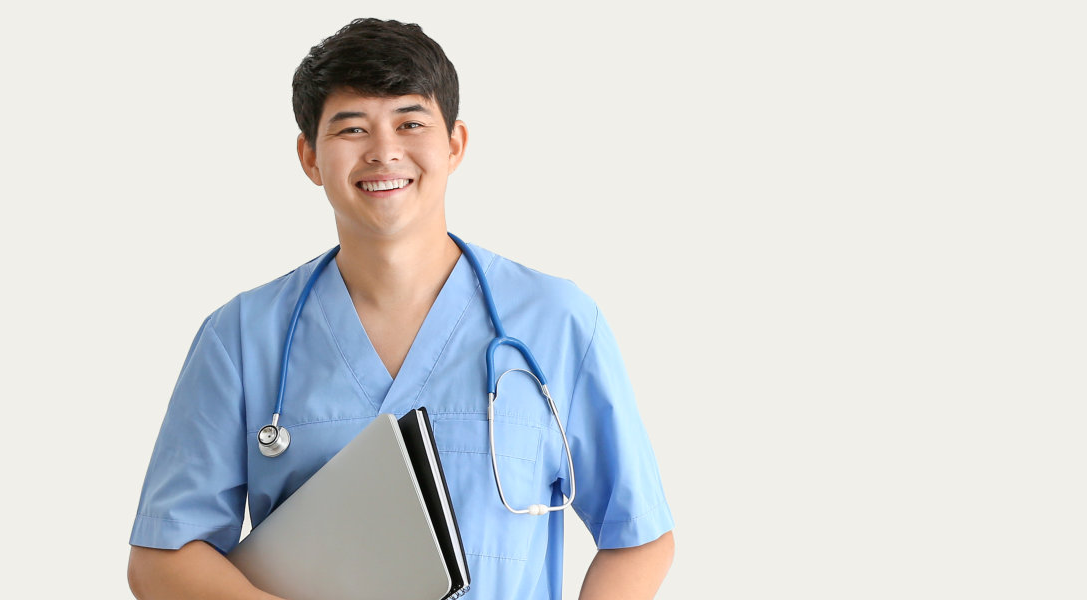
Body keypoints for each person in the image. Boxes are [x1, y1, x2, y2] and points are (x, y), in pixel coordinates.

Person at [126, 18, 675, 600]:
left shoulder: (558, 322)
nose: (385, 152)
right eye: (352, 129)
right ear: (309, 157)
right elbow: (163, 558)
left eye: (410, 123)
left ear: (454, 143)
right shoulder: (240, 338)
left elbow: (639, 537)